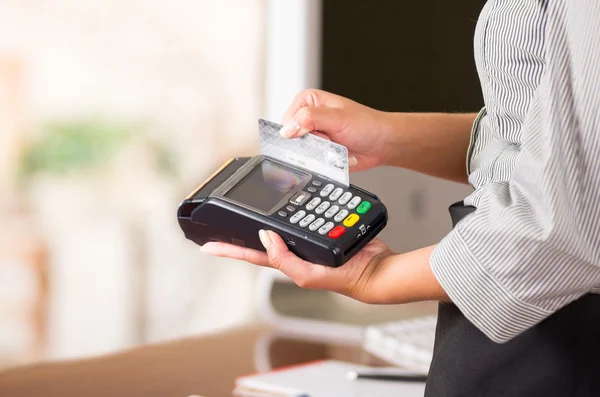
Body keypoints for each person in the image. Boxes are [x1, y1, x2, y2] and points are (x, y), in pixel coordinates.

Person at [201, 1, 600, 395]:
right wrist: (389, 136)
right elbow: (542, 144)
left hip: (552, 344)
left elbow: (554, 228)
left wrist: (374, 277)